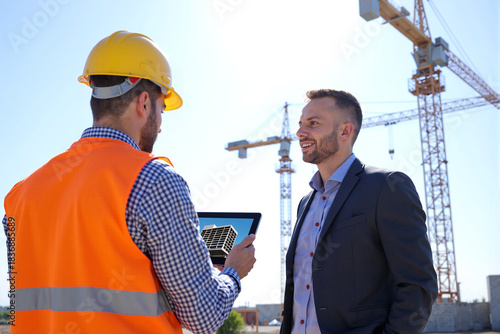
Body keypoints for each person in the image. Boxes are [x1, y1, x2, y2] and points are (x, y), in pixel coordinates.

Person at [3, 31, 256, 334]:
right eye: (162, 110)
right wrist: (233, 271)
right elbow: (204, 316)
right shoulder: (155, 181)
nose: (161, 125)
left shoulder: (22, 193)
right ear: (144, 103)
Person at [280, 89, 438, 334]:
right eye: (300, 124)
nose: (300, 132)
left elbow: (418, 284)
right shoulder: (305, 203)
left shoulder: (386, 187)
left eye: (313, 123)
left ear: (345, 131)